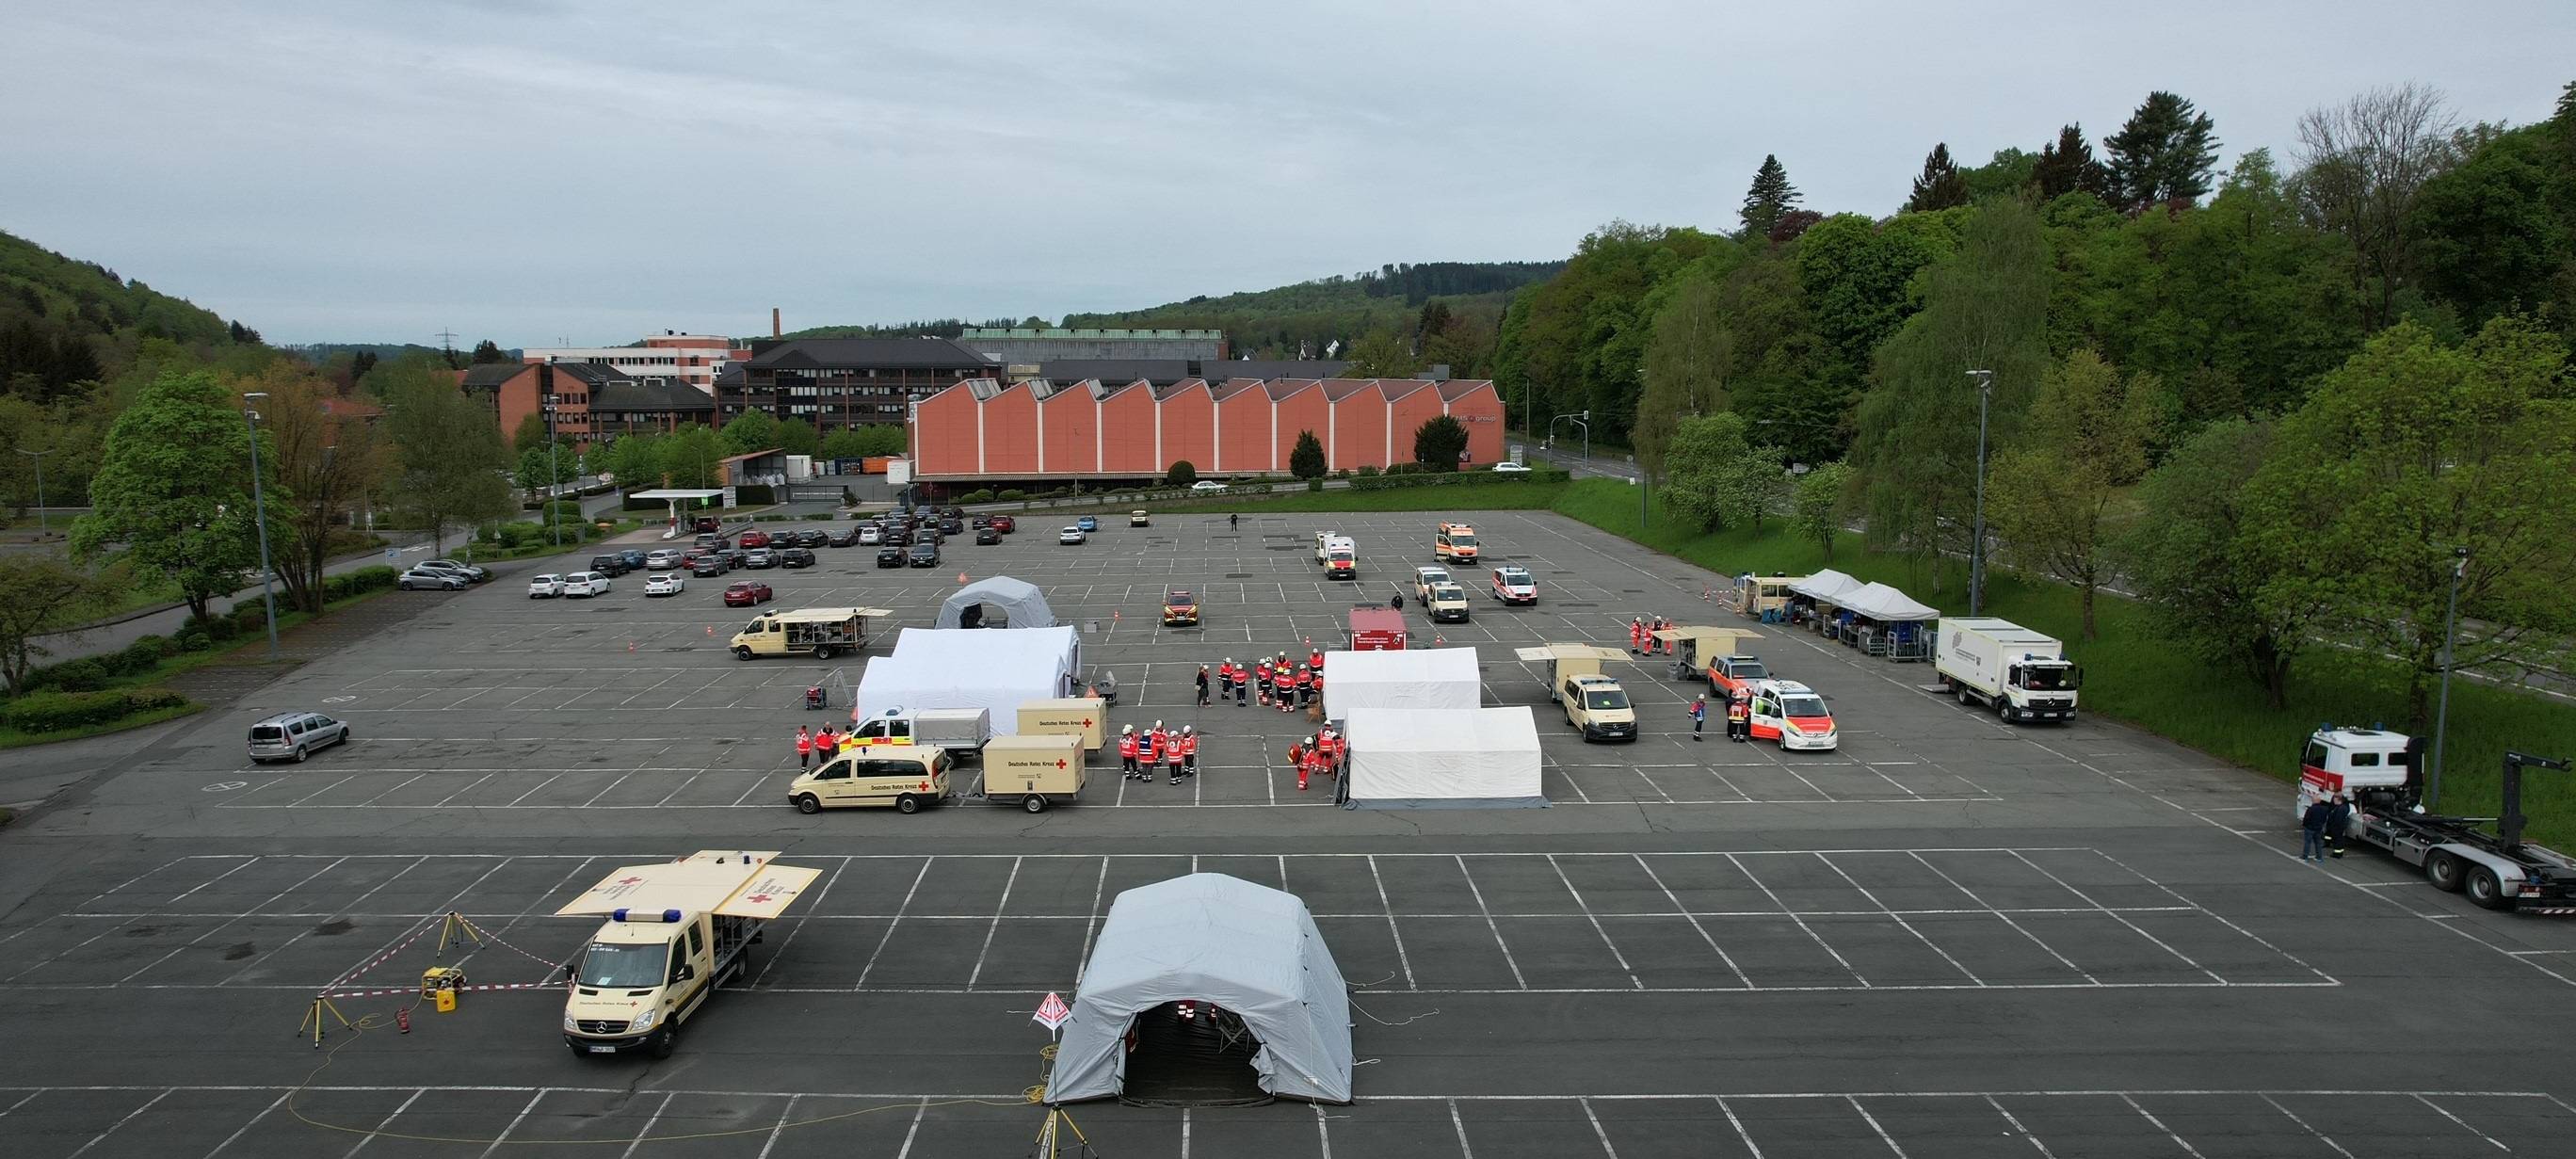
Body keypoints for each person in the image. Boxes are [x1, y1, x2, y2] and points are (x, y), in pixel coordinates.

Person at [2300, 794, 2332, 862]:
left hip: (2310, 828)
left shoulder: (2311, 809)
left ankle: (2304, 856)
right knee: (2318, 843)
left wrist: (2304, 825)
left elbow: (2306, 819)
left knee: (2307, 842)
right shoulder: (2324, 809)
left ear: (2313, 800)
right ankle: (2319, 857)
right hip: (2318, 828)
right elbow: (2324, 819)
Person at [2326, 793, 2354, 859]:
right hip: (2339, 827)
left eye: (2335, 799)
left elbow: (2338, 820)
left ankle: (2337, 854)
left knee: (2337, 841)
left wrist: (2333, 826)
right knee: (2339, 840)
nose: (2333, 801)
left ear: (2339, 799)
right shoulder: (2342, 807)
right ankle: (2339, 853)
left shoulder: (2341, 808)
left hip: (2337, 828)